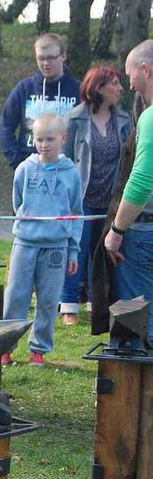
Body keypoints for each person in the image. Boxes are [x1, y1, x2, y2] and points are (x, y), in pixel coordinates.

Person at [0, 114, 83, 367]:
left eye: (50, 139)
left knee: (49, 299)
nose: (44, 144)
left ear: (63, 139)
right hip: (26, 243)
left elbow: (77, 213)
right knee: (16, 296)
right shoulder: (24, 169)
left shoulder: (71, 174)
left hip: (56, 245)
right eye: (39, 139)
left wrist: (72, 251)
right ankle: (6, 346)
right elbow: (18, 203)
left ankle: (39, 350)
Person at [59, 67, 131, 326]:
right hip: (82, 198)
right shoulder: (74, 119)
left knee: (98, 253)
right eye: (115, 83)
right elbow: (64, 160)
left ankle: (94, 303)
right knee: (75, 251)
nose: (121, 89)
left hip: (110, 199)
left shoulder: (123, 119)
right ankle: (68, 305)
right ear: (99, 88)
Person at [104, 39, 153, 340]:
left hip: (145, 235)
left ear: (145, 70)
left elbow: (142, 180)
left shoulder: (150, 117)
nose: (129, 83)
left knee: (139, 321)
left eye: (130, 73)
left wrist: (117, 230)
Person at [0, 33, 80, 170]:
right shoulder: (24, 89)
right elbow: (5, 126)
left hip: (66, 169)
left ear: (63, 56)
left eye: (51, 58)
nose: (46, 63)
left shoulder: (78, 90)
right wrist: (17, 162)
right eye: (41, 58)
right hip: (29, 167)